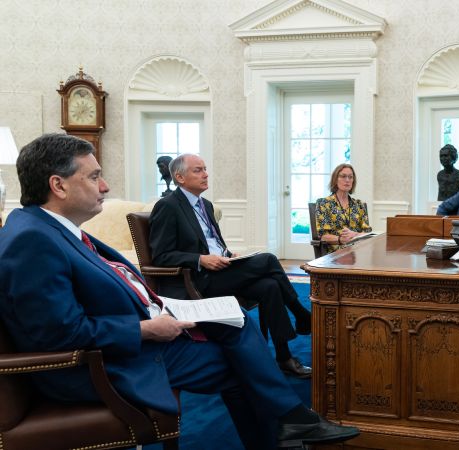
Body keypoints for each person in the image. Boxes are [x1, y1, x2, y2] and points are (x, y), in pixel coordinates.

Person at [0, 134, 359, 448]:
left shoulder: (50, 228)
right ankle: (288, 425)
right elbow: (57, 334)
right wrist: (146, 327)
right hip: (99, 364)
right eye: (94, 176)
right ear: (58, 185)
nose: (106, 186)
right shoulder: (32, 239)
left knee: (235, 320)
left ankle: (290, 422)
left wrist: (161, 306)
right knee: (238, 362)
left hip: (142, 324)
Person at [149, 154, 312, 379]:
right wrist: (200, 259)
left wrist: (227, 254)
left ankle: (283, 357)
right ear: (179, 177)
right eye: (198, 170)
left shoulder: (205, 205)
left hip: (222, 271)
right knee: (268, 260)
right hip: (198, 279)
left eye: (205, 169)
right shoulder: (167, 206)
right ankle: (302, 314)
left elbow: (212, 242)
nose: (206, 174)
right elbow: (161, 255)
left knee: (270, 286)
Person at [315, 163, 372, 252]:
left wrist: (355, 234)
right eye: (343, 176)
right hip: (334, 254)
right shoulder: (324, 203)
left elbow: (367, 233)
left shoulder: (359, 204)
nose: (347, 180)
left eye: (350, 177)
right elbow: (323, 235)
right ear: (335, 179)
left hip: (358, 252)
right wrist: (340, 239)